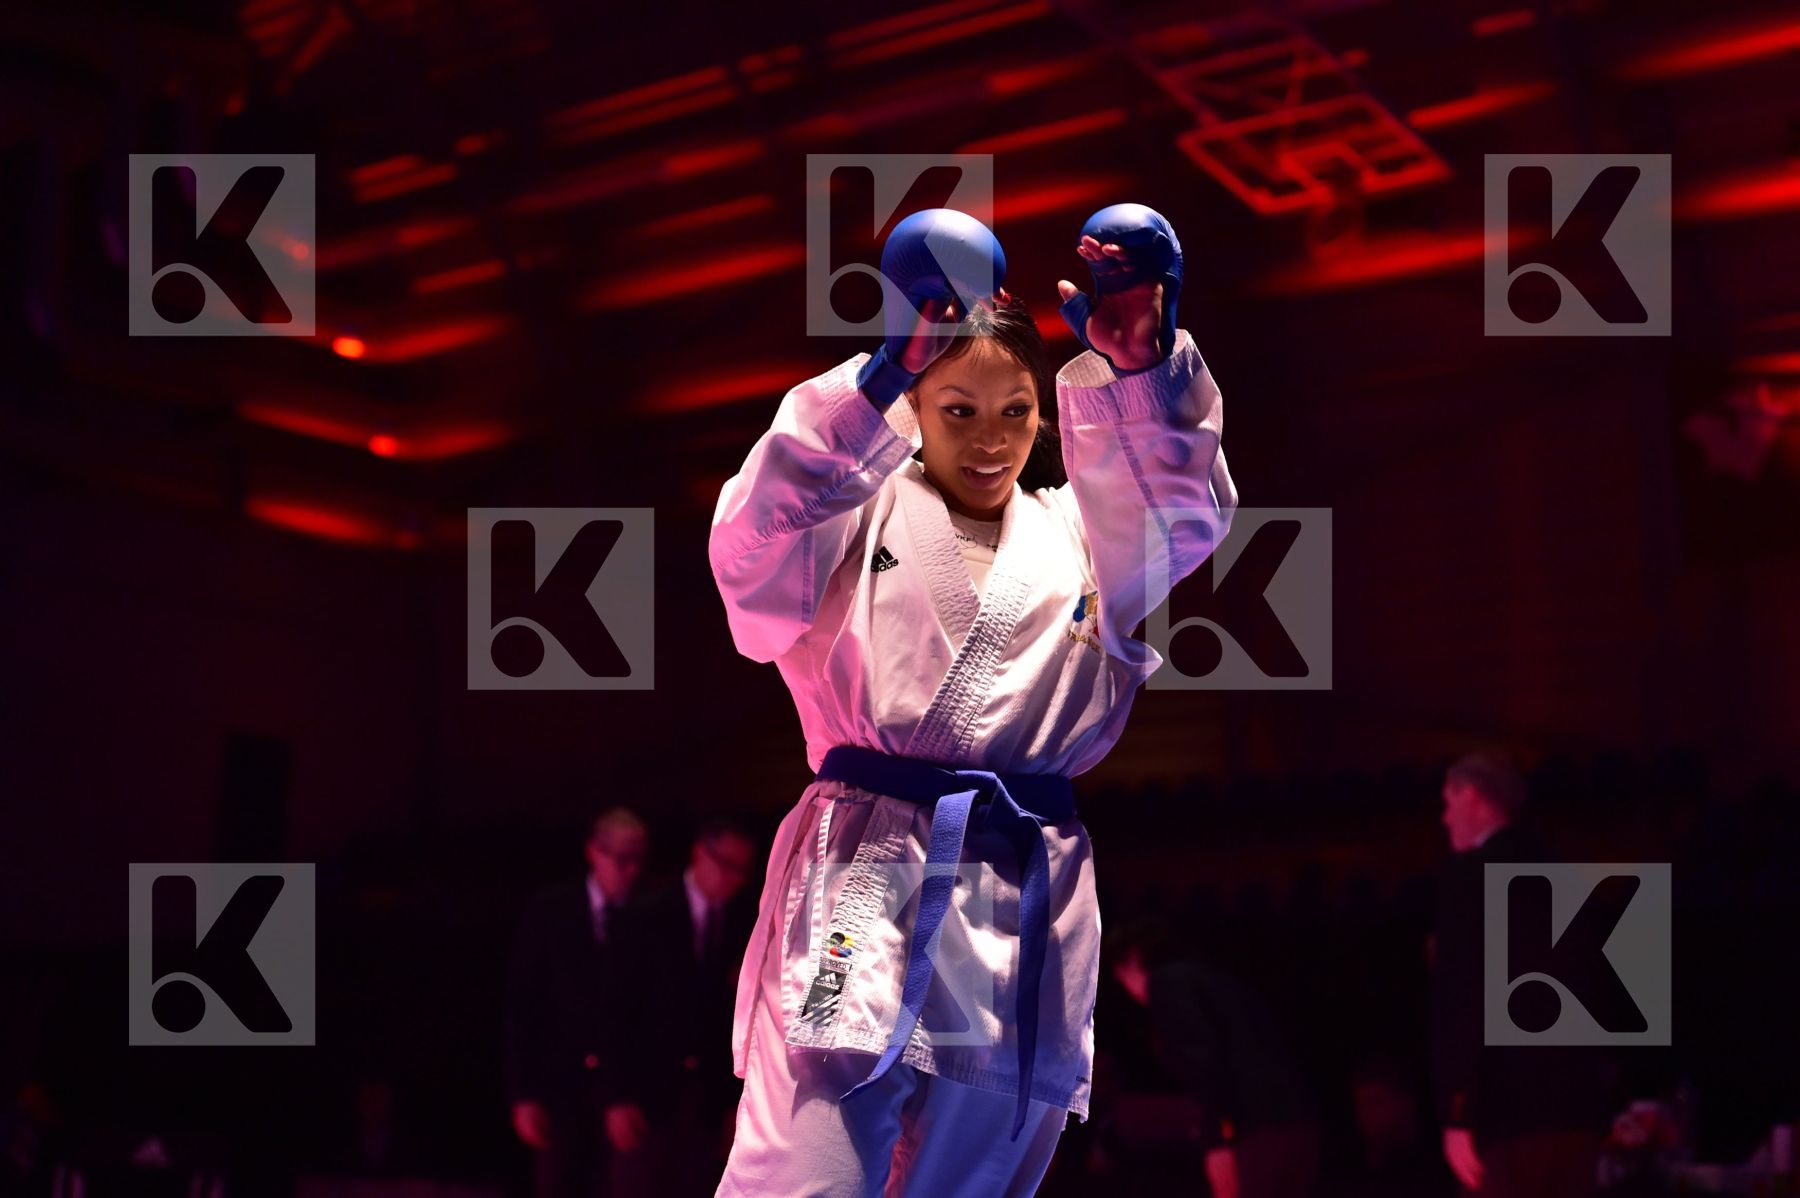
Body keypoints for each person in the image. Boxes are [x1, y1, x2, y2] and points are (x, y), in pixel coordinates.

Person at [707, 204, 1237, 1195]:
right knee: (806, 1175)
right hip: (865, 876)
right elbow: (746, 557)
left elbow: (1180, 514)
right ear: (914, 405)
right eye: (957, 408)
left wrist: (1143, 370)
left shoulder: (1082, 536)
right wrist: (874, 381)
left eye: (1014, 409)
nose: (990, 437)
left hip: (1020, 885)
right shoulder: (853, 507)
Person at [1429, 750, 1611, 1198]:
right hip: (1578, 1112)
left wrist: (1457, 1112)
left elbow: (1464, 998)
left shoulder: (1469, 877)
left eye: (1448, 803)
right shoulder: (1571, 874)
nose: (1444, 818)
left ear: (1473, 797)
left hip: (1506, 1113)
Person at [1107, 920, 1321, 1198]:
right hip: (1298, 1121)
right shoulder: (1215, 982)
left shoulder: (1167, 983)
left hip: (1258, 1129)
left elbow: (1202, 1062)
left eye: (1121, 975)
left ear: (1133, 958)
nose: (1126, 987)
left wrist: (1217, 1141)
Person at [504, 807, 653, 1198]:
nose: (631, 870)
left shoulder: (646, 917)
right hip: (558, 1090)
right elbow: (524, 1006)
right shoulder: (550, 910)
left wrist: (620, 1092)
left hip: (622, 1098)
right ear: (594, 852)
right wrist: (524, 1093)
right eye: (622, 858)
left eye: (638, 859)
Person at [615, 819, 759, 1197]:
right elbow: (615, 1010)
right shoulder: (645, 914)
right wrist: (616, 1097)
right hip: (647, 1092)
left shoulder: (744, 922)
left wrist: (732, 1105)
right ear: (699, 852)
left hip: (707, 1099)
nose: (731, 877)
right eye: (724, 863)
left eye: (741, 869)